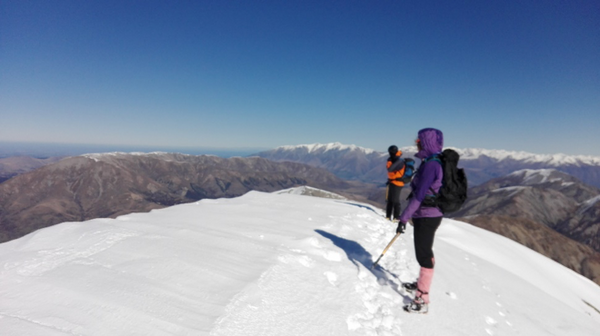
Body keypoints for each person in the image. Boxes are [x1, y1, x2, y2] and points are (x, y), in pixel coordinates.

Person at [396, 128, 444, 314]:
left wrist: (404, 217)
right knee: (425, 251)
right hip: (430, 214)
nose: (416, 142)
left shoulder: (431, 164)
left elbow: (419, 195)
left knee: (423, 255)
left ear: (426, 142)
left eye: (419, 139)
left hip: (426, 215)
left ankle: (422, 299)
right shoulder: (433, 161)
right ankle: (420, 283)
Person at [385, 145, 405, 222]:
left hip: (398, 183)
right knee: (390, 200)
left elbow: (390, 169)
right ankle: (388, 216)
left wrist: (390, 160)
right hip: (392, 181)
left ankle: (396, 217)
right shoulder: (394, 159)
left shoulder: (399, 161)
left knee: (395, 201)